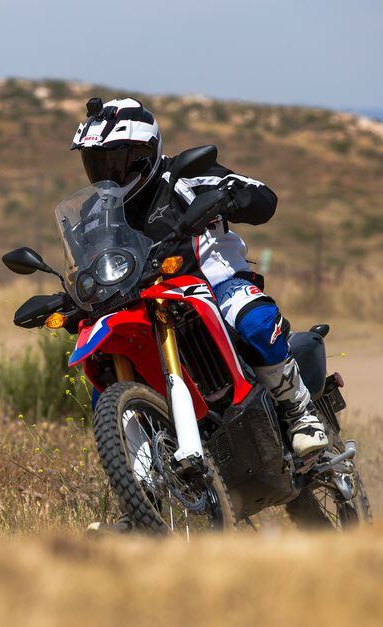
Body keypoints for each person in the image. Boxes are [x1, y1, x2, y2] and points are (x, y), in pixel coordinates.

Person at [72, 96, 328, 459]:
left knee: (255, 321)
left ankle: (300, 413)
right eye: (96, 162)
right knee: (105, 374)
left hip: (216, 284)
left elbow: (262, 196)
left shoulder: (185, 176)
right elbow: (90, 266)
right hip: (144, 302)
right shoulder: (94, 214)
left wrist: (233, 198)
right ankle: (141, 480)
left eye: (116, 161)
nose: (106, 173)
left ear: (145, 155)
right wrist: (70, 297)